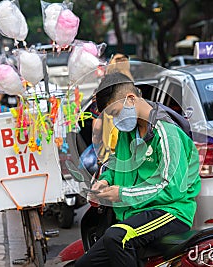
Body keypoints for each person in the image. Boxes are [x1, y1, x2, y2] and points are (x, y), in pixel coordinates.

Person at [75, 72, 201, 267]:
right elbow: (118, 165)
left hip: (169, 212)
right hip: (135, 214)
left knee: (116, 237)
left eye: (115, 113)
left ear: (131, 99)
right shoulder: (128, 133)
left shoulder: (167, 133)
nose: (115, 120)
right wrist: (106, 180)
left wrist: (123, 194)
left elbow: (171, 187)